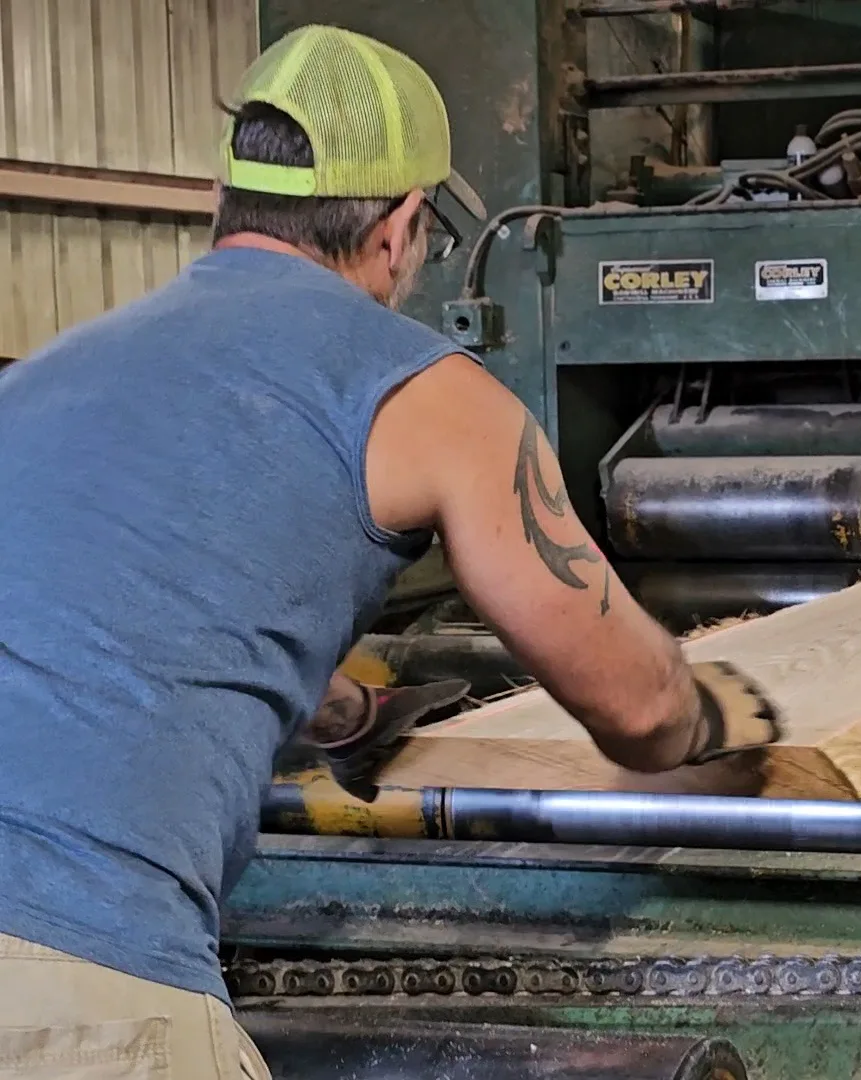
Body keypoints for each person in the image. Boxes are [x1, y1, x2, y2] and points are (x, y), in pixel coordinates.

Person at [0, 24, 779, 1079]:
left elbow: (100, 609)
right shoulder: (429, 394)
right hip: (76, 979)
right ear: (404, 226)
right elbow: (635, 711)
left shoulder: (47, 377)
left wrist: (337, 714)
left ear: (219, 202)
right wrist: (714, 717)